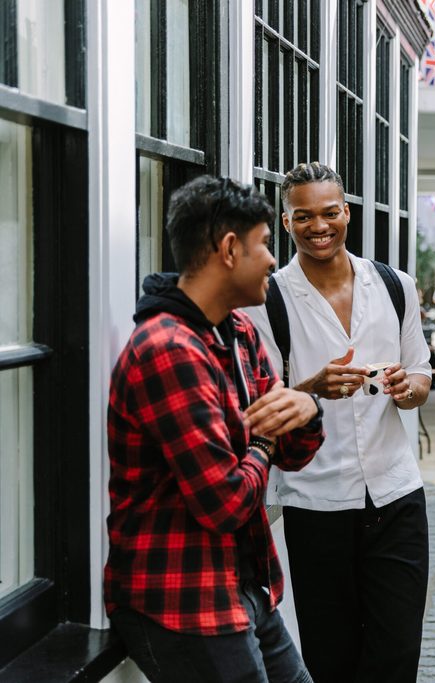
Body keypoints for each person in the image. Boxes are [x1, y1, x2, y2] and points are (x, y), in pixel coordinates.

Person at [105, 176, 325, 683]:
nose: (274, 259)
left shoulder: (239, 331)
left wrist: (308, 407)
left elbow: (293, 451)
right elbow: (224, 503)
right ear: (229, 249)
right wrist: (266, 439)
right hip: (183, 604)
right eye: (266, 243)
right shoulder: (169, 349)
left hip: (244, 588)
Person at [244, 162, 432, 683]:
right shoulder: (269, 299)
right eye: (303, 216)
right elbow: (259, 406)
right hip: (316, 501)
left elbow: (420, 374)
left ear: (347, 212)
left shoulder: (396, 286)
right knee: (331, 656)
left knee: (397, 652)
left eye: (330, 212)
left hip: (396, 496)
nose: (319, 226)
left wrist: (405, 388)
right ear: (287, 223)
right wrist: (312, 389)